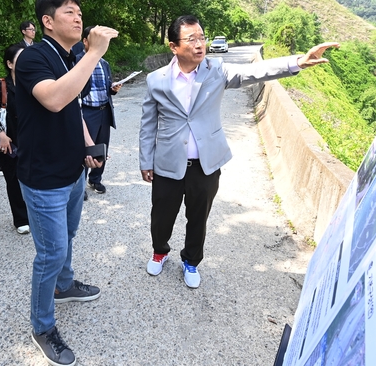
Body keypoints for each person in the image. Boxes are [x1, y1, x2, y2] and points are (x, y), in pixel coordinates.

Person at [139, 15, 339, 288]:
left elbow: (255, 72)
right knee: (161, 216)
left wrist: (298, 62)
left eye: (202, 37)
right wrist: (145, 160)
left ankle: (191, 261)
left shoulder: (216, 70)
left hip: (206, 164)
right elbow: (148, 124)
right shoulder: (156, 80)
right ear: (174, 46)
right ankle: (160, 251)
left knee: (198, 218)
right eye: (191, 39)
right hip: (167, 163)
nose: (200, 44)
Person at [14, 0, 118, 366]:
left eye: (80, 13)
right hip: (42, 177)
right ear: (47, 21)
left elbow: (72, 108)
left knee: (68, 235)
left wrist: (89, 143)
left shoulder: (70, 56)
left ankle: (64, 284)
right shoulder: (32, 57)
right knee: (51, 251)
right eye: (70, 13)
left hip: (73, 168)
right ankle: (42, 326)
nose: (79, 18)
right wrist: (95, 52)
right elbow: (55, 99)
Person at [0, 44, 30, 234]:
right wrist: (1, 134)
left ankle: (37, 215)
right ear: (10, 64)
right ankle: (21, 218)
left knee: (35, 180)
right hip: (10, 142)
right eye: (20, 59)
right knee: (14, 180)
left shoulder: (37, 82)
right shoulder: (0, 85)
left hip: (34, 141)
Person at [74, 25, 123, 195]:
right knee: (86, 149)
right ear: (85, 41)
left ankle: (95, 179)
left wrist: (113, 89)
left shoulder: (104, 63)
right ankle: (79, 186)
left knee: (102, 148)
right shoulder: (77, 61)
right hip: (87, 111)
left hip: (104, 110)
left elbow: (105, 87)